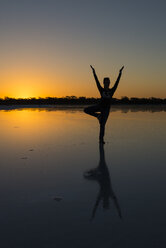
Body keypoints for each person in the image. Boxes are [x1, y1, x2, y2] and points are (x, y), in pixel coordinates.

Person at [84, 65, 124, 144]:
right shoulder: (101, 89)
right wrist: (94, 72)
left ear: (109, 83)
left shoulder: (112, 90)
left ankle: (101, 140)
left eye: (108, 82)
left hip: (106, 110)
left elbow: (117, 82)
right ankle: (98, 116)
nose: (107, 84)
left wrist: (120, 73)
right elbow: (96, 81)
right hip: (99, 106)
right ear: (103, 83)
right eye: (105, 82)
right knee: (86, 110)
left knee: (102, 125)